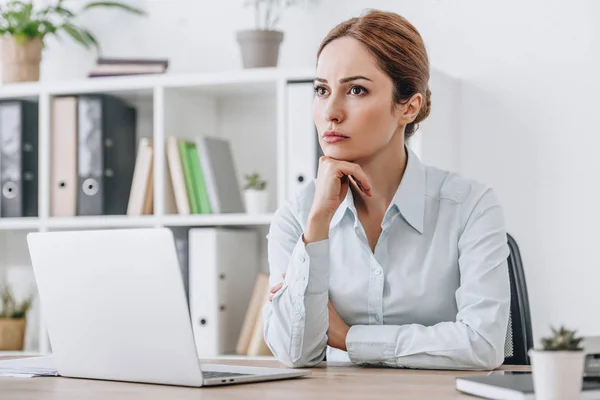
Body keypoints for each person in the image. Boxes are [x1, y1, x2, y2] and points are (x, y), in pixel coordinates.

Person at [262, 9, 510, 370]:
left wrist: (349, 338)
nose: (330, 111)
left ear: (408, 107)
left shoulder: (470, 206)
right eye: (321, 90)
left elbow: (483, 344)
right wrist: (316, 226)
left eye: (356, 90)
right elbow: (294, 352)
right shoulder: (297, 214)